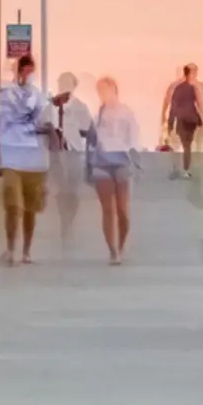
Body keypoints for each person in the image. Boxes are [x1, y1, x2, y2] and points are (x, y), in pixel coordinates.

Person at [0, 53, 50, 265]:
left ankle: (26, 251)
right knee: (13, 205)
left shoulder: (40, 97)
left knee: (30, 209)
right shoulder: (6, 96)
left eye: (30, 71)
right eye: (23, 70)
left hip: (33, 158)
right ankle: (10, 248)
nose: (27, 74)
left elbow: (47, 124)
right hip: (10, 156)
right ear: (17, 72)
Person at [88, 77, 141, 262]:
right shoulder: (98, 115)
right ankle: (112, 251)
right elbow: (93, 141)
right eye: (99, 91)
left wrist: (134, 158)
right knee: (107, 210)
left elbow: (133, 137)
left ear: (114, 90)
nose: (103, 94)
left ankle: (121, 244)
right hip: (102, 162)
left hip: (121, 161)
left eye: (105, 89)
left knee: (122, 210)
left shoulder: (125, 112)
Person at [49, 71, 94, 247]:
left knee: (73, 192)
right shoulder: (51, 106)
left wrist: (72, 130)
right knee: (61, 191)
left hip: (74, 153)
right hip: (56, 154)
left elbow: (88, 130)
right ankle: (63, 221)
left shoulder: (80, 107)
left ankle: (70, 220)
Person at [166, 64, 203, 177]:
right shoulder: (193, 88)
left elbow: (173, 106)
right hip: (191, 120)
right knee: (187, 146)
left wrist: (170, 122)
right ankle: (186, 170)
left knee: (182, 145)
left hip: (181, 120)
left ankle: (178, 168)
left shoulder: (177, 89)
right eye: (195, 72)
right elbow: (200, 104)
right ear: (191, 73)